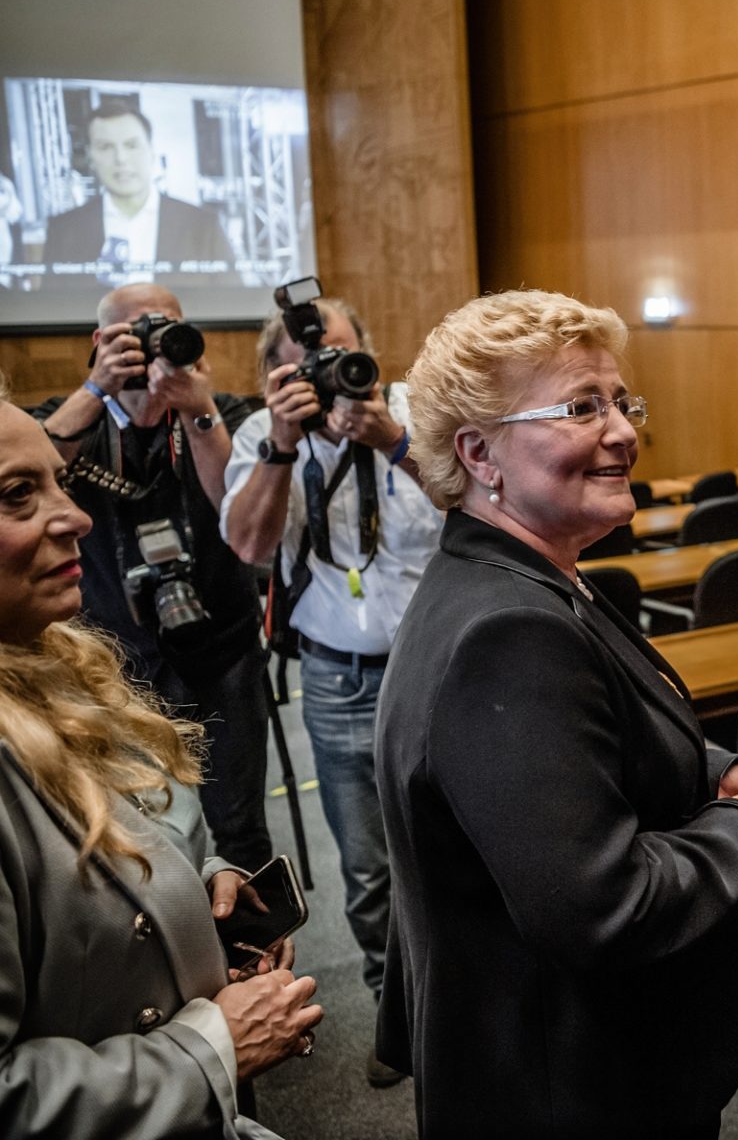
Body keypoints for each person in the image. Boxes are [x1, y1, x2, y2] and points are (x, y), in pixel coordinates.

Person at [373, 290, 738, 1138]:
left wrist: (713, 772)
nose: (622, 431)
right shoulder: (508, 630)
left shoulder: (526, 578)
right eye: (581, 407)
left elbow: (575, 750)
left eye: (619, 402)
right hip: (563, 1094)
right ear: (479, 454)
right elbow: (600, 904)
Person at [0, 389, 321, 1140]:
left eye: (59, 481)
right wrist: (212, 1047)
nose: (75, 516)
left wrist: (191, 898)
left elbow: (88, 876)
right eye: (17, 494)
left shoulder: (58, 663)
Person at [220, 295, 439, 1087]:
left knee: (457, 837)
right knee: (369, 862)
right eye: (304, 364)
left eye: (340, 354)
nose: (325, 374)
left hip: (437, 670)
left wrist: (393, 438)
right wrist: (282, 445)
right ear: (275, 374)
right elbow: (247, 544)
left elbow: (482, 501)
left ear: (367, 353)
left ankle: (466, 997)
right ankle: (394, 1008)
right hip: (336, 678)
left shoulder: (413, 410)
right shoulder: (256, 433)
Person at [27, 283, 273, 871]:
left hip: (223, 653)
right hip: (112, 664)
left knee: (241, 831)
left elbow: (234, 506)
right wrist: (98, 389)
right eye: (134, 332)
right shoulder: (63, 422)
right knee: (135, 831)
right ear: (99, 342)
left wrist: (196, 408)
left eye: (167, 329)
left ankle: (261, 955)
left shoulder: (225, 413)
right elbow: (32, 469)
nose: (152, 346)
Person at [41, 97, 242, 289]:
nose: (120, 158)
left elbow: (232, 303)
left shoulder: (203, 226)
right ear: (90, 157)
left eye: (132, 145)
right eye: (105, 147)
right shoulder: (64, 229)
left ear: (151, 151)